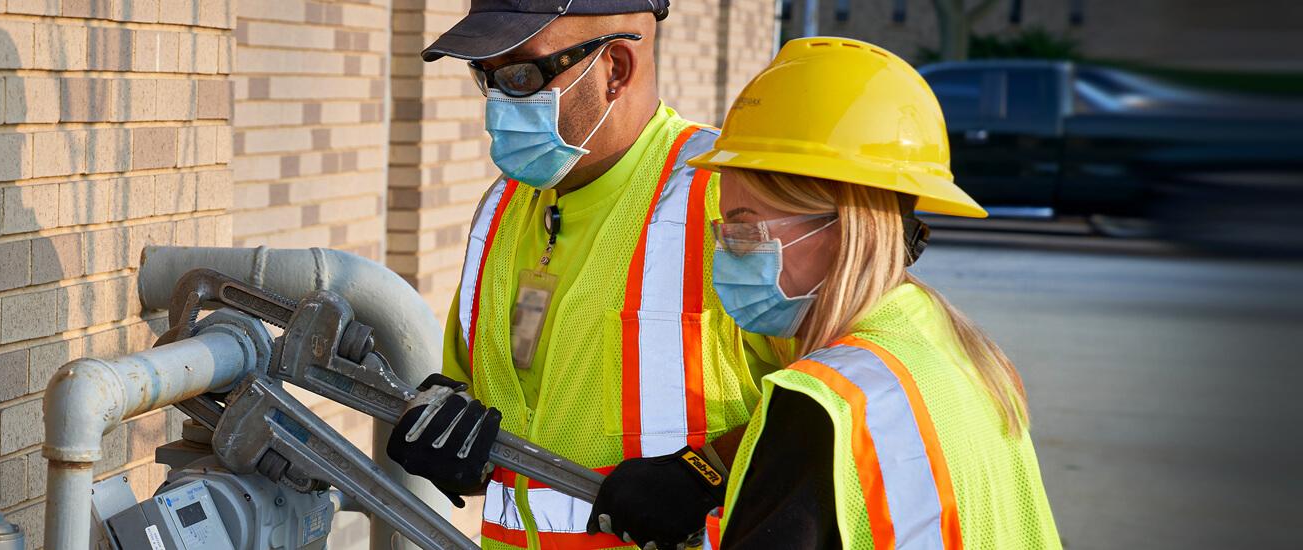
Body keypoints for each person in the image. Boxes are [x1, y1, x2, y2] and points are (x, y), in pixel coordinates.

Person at [591, 37, 1066, 549]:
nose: (724, 254)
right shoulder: (957, 351)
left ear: (841, 229)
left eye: (744, 229)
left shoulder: (823, 405)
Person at [384, 2, 777, 550]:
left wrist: (708, 470)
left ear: (616, 67)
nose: (498, 101)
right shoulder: (500, 210)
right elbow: (496, 420)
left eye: (521, 75)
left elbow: (839, 401)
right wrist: (455, 453)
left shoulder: (727, 199)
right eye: (485, 76)